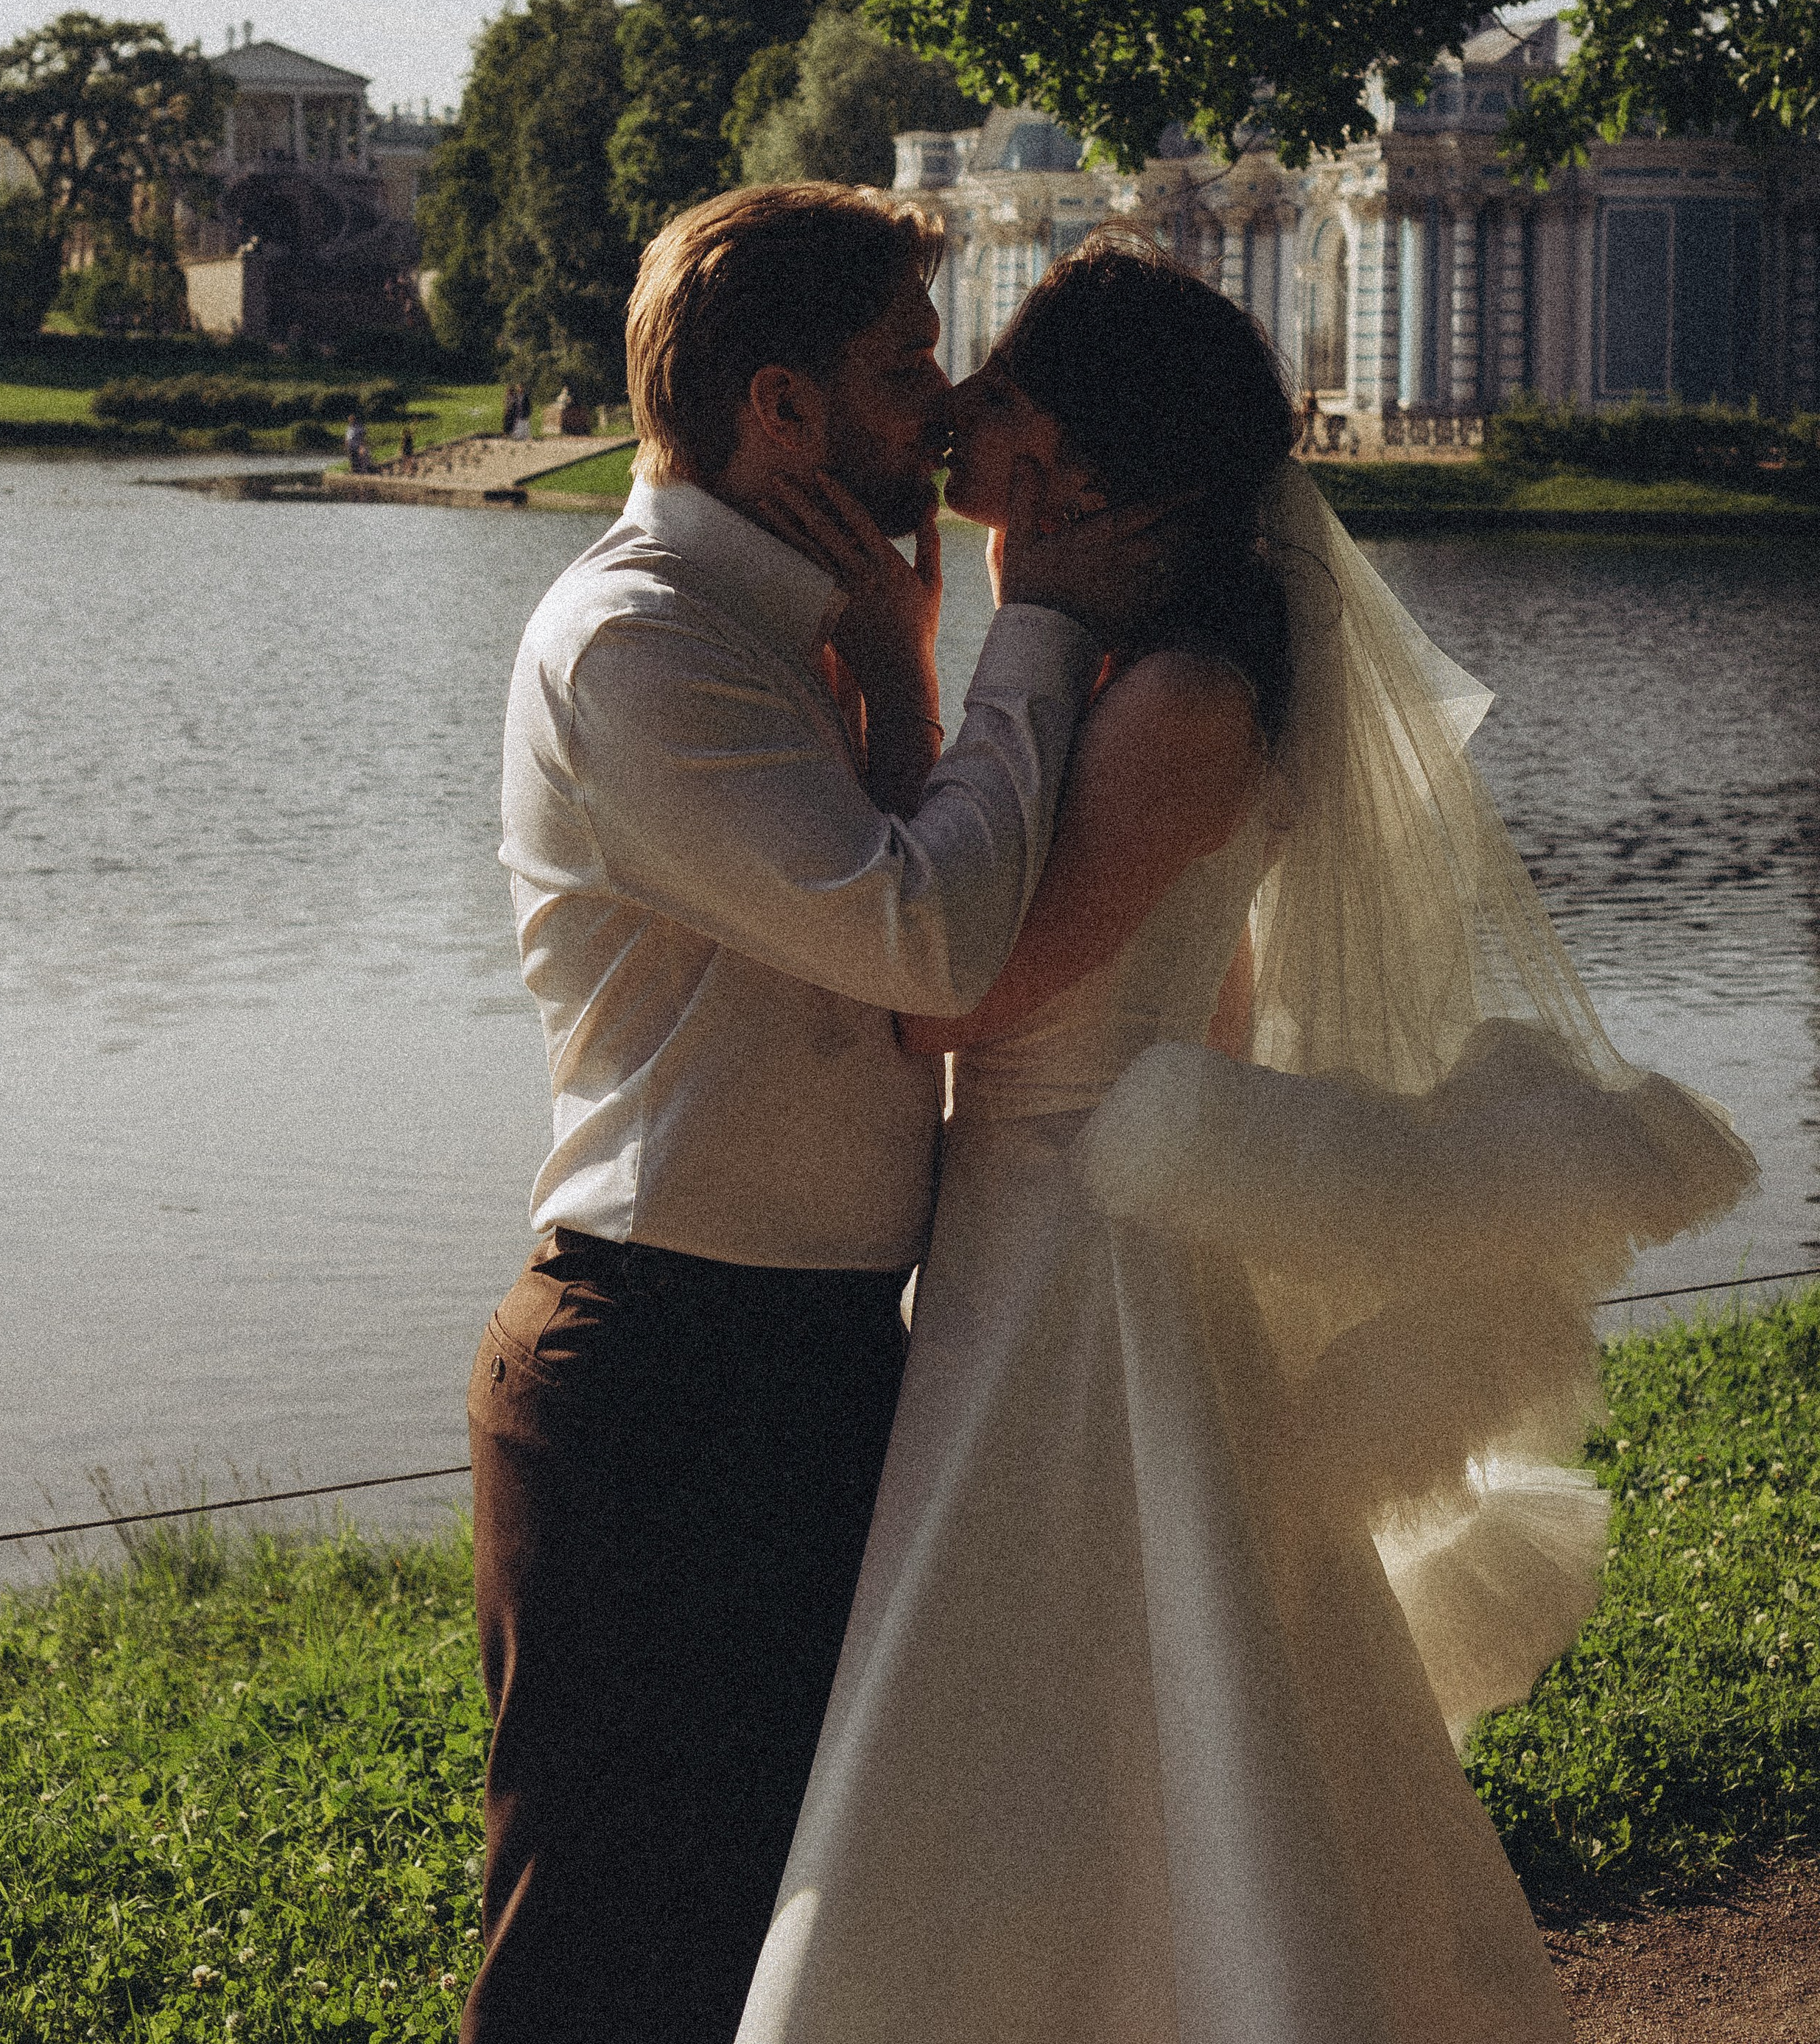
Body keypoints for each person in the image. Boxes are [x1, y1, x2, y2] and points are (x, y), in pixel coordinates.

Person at [737, 232, 1757, 2044]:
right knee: (1076, 1691)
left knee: (1091, 1676)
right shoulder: (1139, 673)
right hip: (1037, 1224)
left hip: (1077, 1257)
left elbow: (944, 1001)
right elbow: (1192, 1006)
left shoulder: (1179, 698)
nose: (960, 406)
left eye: (999, 386)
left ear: (1065, 458)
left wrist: (917, 676)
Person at [465, 186, 1178, 2044]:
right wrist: (1031, 635)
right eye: (900, 368)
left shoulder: (800, 630)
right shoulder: (640, 645)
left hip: (803, 1356)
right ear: (778, 412)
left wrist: (907, 664)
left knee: (785, 1939)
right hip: (661, 1372)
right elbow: (930, 950)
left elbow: (891, 970)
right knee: (598, 1958)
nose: (941, 411)